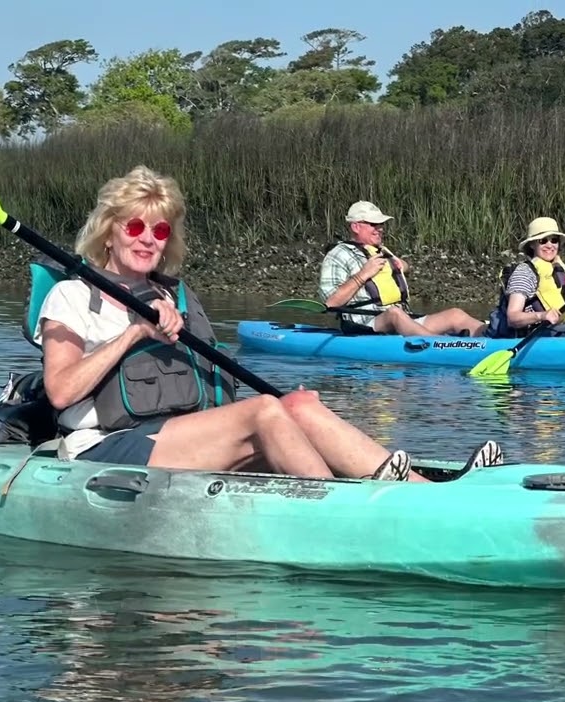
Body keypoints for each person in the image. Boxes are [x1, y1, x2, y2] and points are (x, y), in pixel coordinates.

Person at [34, 165, 503, 482]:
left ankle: (423, 490)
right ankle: (343, 511)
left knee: (297, 404)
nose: (147, 240)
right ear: (109, 232)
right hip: (107, 446)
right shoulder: (71, 296)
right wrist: (136, 332)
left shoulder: (175, 294)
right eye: (134, 227)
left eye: (159, 230)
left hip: (186, 434)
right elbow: (60, 392)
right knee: (263, 410)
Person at [318, 200, 487, 337]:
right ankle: (442, 346)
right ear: (356, 226)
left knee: (455, 314)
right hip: (364, 324)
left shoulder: (380, 250)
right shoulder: (338, 254)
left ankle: (494, 337)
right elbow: (330, 303)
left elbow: (400, 270)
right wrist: (363, 275)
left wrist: (402, 265)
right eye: (373, 224)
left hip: (404, 318)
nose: (380, 229)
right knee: (394, 313)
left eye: (381, 224)